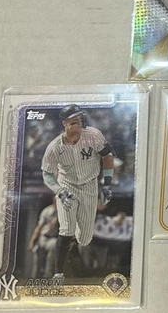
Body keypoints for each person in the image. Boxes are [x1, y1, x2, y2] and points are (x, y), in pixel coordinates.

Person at [40, 105, 115, 278]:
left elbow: (108, 156)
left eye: (80, 120)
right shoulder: (54, 147)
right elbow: (47, 175)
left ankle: (74, 243)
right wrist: (59, 191)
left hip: (89, 185)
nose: (79, 124)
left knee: (85, 239)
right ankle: (58, 274)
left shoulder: (93, 135)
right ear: (65, 124)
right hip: (67, 186)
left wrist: (107, 185)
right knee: (66, 230)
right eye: (74, 121)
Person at [27, 203, 59, 279]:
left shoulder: (63, 211)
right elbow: (39, 227)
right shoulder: (47, 211)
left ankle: (48, 276)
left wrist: (57, 218)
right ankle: (35, 277)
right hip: (43, 237)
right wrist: (32, 241)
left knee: (54, 246)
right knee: (37, 253)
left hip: (53, 238)